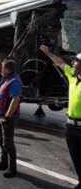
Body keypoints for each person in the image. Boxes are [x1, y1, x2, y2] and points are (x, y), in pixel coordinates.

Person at [40, 45, 81, 189]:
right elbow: (60, 63)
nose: (73, 63)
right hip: (71, 127)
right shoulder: (72, 76)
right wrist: (48, 53)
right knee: (76, 157)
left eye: (76, 61)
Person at [0, 59, 22, 178]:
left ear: (9, 69)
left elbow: (15, 100)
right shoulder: (7, 78)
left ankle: (12, 168)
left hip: (8, 116)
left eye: (3, 68)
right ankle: (4, 161)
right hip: (1, 115)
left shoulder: (14, 81)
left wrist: (7, 116)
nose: (1, 69)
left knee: (8, 143)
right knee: (0, 139)